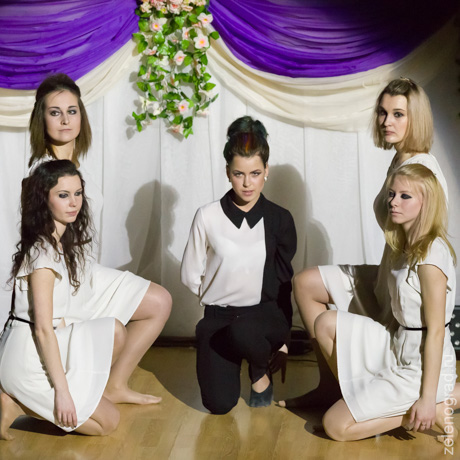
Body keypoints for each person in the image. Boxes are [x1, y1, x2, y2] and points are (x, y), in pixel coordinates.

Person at [280, 77, 449, 409]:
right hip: (386, 275)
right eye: (383, 113)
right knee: (305, 283)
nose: (387, 121)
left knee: (310, 288)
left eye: (398, 114)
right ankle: (329, 387)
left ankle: (361, 396)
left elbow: (428, 246)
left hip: (402, 291)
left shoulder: (422, 170)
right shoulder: (400, 159)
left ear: (416, 118)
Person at [26, 73, 172, 405]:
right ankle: (65, 390)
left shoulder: (77, 167)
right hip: (65, 281)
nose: (65, 120)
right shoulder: (42, 173)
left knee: (159, 302)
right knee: (141, 313)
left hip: (87, 271)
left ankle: (115, 385)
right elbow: (39, 244)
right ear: (41, 119)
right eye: (55, 112)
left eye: (72, 111)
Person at [314, 163, 459, 443]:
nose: (393, 202)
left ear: (426, 204)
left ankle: (430, 407)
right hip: (397, 343)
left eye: (405, 196)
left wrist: (427, 399)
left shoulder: (431, 256)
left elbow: (437, 332)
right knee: (326, 323)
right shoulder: (402, 245)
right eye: (392, 194)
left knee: (335, 426)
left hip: (421, 366)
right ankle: (366, 401)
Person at [0, 161, 127, 439]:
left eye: (78, 193)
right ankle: (15, 399)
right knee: (107, 423)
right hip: (27, 358)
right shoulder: (43, 254)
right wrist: (63, 392)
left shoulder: (57, 242)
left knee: (114, 330)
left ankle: (24, 400)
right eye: (63, 195)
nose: (74, 203)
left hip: (43, 342)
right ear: (44, 199)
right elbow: (42, 329)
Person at [181, 116, 297, 414]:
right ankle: (244, 357)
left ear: (266, 171)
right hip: (219, 319)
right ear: (227, 173)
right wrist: (219, 295)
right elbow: (190, 275)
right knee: (218, 405)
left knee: (243, 330)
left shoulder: (279, 219)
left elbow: (284, 283)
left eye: (255, 173)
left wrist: (284, 341)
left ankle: (259, 370)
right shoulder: (207, 216)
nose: (247, 183)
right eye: (238, 174)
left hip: (263, 317)